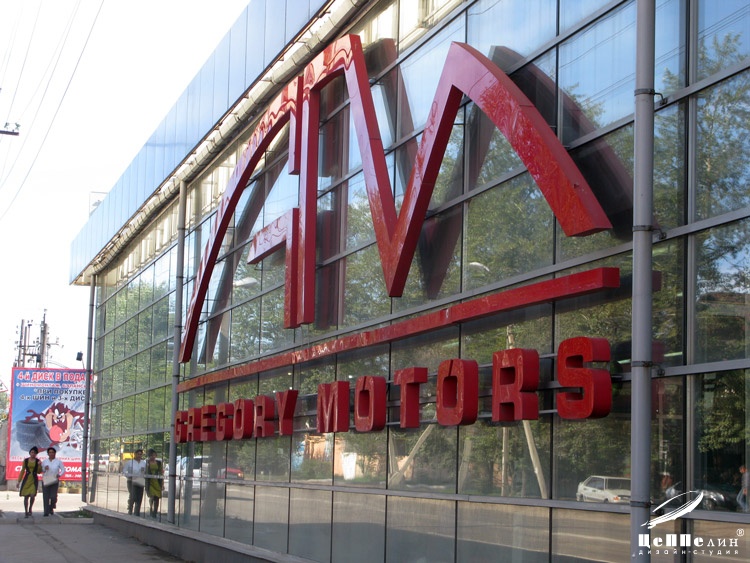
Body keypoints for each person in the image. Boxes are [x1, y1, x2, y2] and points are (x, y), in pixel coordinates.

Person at [16, 446, 42, 518]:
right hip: (27, 479)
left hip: (34, 479)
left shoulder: (37, 461)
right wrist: (19, 481)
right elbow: (22, 471)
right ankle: (26, 511)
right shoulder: (26, 460)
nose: (33, 454)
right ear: (29, 453)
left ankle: (30, 508)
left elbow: (39, 471)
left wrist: (39, 465)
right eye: (31, 452)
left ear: (36, 454)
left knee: (32, 495)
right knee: (26, 496)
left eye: (34, 453)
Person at [41, 446, 65, 516]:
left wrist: (59, 474)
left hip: (54, 479)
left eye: (52, 452)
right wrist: (44, 468)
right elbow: (42, 470)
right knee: (46, 496)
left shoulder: (58, 461)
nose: (51, 454)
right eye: (50, 452)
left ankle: (51, 507)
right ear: (48, 454)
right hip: (46, 479)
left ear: (55, 453)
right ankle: (46, 512)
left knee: (53, 496)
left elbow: (63, 469)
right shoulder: (45, 461)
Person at [122, 449, 146, 516]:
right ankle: (130, 509)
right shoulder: (130, 462)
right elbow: (124, 471)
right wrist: (129, 476)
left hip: (140, 480)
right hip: (131, 480)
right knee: (133, 495)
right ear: (135, 454)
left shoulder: (143, 463)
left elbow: (145, 472)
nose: (139, 455)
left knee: (139, 497)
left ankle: (137, 512)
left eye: (140, 454)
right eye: (138, 454)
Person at [145, 449, 164, 519]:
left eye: (154, 455)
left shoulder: (159, 463)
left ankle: (155, 511)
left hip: (157, 482)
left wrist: (162, 484)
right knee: (152, 496)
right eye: (151, 455)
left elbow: (161, 472)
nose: (153, 457)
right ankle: (151, 509)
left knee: (157, 498)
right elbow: (145, 471)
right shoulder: (147, 462)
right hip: (150, 482)